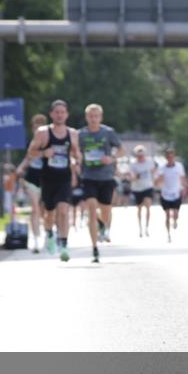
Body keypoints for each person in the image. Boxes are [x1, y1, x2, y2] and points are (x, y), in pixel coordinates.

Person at [27, 99, 81, 262]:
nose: (59, 115)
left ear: (67, 115)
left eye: (62, 112)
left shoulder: (73, 134)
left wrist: (76, 160)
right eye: (56, 112)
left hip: (64, 177)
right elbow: (31, 153)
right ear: (51, 114)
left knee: (64, 210)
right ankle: (49, 233)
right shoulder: (43, 132)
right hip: (48, 178)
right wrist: (44, 153)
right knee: (49, 213)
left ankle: (64, 244)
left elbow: (76, 153)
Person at [78, 103, 123, 263]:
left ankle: (102, 225)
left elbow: (121, 149)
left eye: (96, 116)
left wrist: (111, 158)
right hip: (88, 176)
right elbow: (75, 152)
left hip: (106, 176)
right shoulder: (80, 134)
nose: (93, 119)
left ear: (101, 117)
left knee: (105, 210)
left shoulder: (108, 132)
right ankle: (94, 248)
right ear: (86, 117)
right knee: (91, 208)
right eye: (91, 116)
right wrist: (76, 160)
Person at [17, 114, 49, 253]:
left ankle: (49, 234)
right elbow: (28, 158)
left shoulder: (49, 140)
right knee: (35, 209)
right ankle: (36, 239)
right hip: (32, 179)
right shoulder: (31, 142)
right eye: (35, 127)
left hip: (48, 178)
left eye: (40, 127)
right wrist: (21, 167)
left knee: (47, 210)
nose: (37, 129)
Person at [155, 147, 188, 243]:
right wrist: (160, 180)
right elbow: (157, 182)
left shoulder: (179, 166)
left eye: (171, 157)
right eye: (168, 157)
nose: (170, 158)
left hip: (176, 193)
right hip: (165, 193)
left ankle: (175, 220)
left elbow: (182, 177)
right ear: (166, 158)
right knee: (167, 214)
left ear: (174, 157)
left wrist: (185, 187)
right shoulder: (162, 168)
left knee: (176, 213)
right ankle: (168, 234)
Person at [129, 145, 157, 237]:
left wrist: (154, 182)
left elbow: (153, 172)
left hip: (148, 187)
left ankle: (147, 227)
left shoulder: (150, 162)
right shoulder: (133, 164)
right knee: (140, 208)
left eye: (142, 155)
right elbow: (130, 176)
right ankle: (140, 228)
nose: (140, 157)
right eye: (138, 155)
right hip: (137, 188)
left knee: (148, 205)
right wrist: (134, 178)